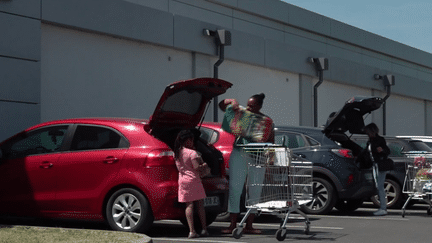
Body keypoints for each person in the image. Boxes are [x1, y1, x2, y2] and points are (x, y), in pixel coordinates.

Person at [219, 93, 275, 234]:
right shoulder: (242, 115)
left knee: (254, 192)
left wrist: (270, 161)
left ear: (259, 106)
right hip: (239, 154)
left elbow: (271, 142)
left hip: (257, 158)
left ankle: (249, 225)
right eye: (248, 105)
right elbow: (222, 106)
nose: (248, 108)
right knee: (235, 189)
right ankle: (232, 225)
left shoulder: (266, 121)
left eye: (252, 106)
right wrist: (230, 101)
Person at [174, 130, 209, 238]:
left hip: (182, 179)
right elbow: (197, 168)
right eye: (192, 139)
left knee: (188, 205)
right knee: (200, 205)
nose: (193, 141)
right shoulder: (192, 153)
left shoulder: (176, 152)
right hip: (193, 180)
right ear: (188, 140)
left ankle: (191, 231)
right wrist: (204, 165)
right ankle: (204, 229)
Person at [364, 123, 391, 216]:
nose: (366, 133)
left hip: (380, 165)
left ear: (372, 131)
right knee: (378, 186)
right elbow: (366, 152)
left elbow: (387, 151)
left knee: (380, 187)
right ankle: (382, 207)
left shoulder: (379, 140)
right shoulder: (370, 141)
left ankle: (383, 208)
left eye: (368, 131)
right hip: (375, 165)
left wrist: (382, 151)